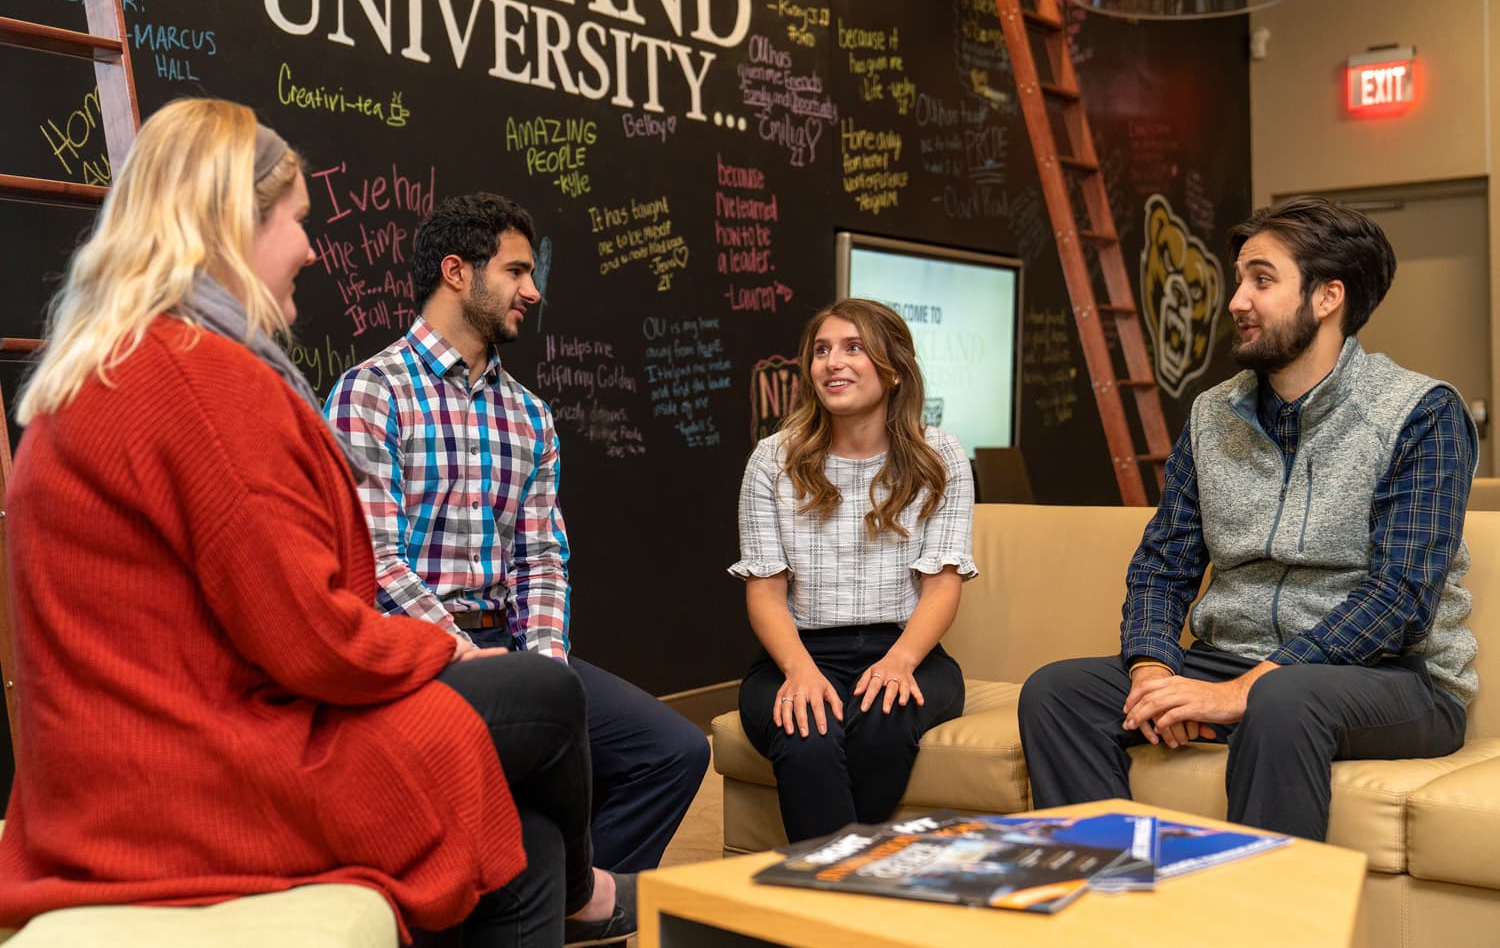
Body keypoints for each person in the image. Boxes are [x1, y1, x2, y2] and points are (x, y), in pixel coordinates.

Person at [0, 98, 633, 948]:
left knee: (534, 820)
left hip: (133, 756)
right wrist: (440, 648)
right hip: (204, 769)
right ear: (231, 227)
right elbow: (310, 636)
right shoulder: (201, 381)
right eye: (296, 222)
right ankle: (583, 897)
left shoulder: (115, 362)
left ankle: (570, 891)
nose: (308, 248)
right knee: (546, 699)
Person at [1018, 196, 1479, 841]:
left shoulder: (1421, 413)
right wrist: (1154, 671)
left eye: (1262, 280)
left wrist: (1246, 690)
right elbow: (1162, 565)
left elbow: (1399, 597)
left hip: (1394, 680)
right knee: (1057, 692)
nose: (1236, 300)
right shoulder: (1211, 415)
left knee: (1282, 700)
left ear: (1327, 298)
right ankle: (1114, 903)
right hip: (1228, 659)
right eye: (1240, 280)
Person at [324, 192, 710, 883]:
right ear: (456, 272)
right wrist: (471, 655)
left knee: (674, 751)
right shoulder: (371, 392)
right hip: (419, 653)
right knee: (519, 783)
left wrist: (547, 663)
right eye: (516, 271)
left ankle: (567, 903)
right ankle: (551, 897)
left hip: (515, 644)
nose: (533, 290)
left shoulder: (529, 414)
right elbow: (371, 559)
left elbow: (542, 559)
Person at [729, 298, 976, 842]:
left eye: (853, 347)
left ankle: (833, 881)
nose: (831, 362)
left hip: (907, 650)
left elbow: (942, 583)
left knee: (883, 721)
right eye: (821, 351)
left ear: (892, 369)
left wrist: (899, 662)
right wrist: (797, 671)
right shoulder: (774, 458)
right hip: (798, 654)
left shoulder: (941, 456)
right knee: (805, 731)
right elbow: (766, 592)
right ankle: (843, 894)